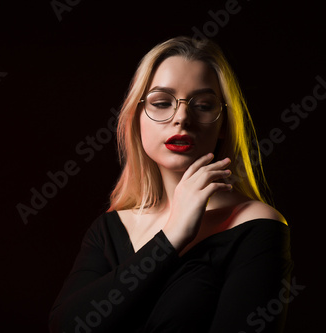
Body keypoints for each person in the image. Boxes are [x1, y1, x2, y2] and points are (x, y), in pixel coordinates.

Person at [48, 36, 292, 333]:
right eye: (162, 103)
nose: (181, 118)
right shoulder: (109, 229)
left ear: (224, 125)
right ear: (136, 118)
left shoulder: (256, 225)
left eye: (203, 105)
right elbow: (66, 327)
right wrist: (172, 236)